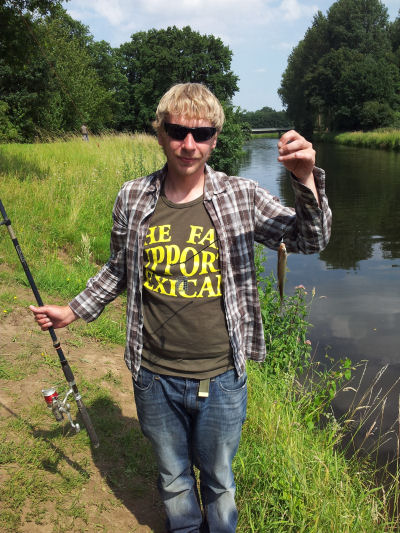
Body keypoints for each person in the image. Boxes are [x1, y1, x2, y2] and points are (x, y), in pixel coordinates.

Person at [30, 83, 332, 533]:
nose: (189, 145)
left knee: (219, 481)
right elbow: (118, 268)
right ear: (160, 133)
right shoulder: (132, 197)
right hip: (153, 375)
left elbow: (311, 238)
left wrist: (304, 179)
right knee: (173, 480)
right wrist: (72, 310)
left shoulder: (242, 195)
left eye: (202, 134)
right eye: (177, 131)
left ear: (215, 139)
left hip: (222, 376)